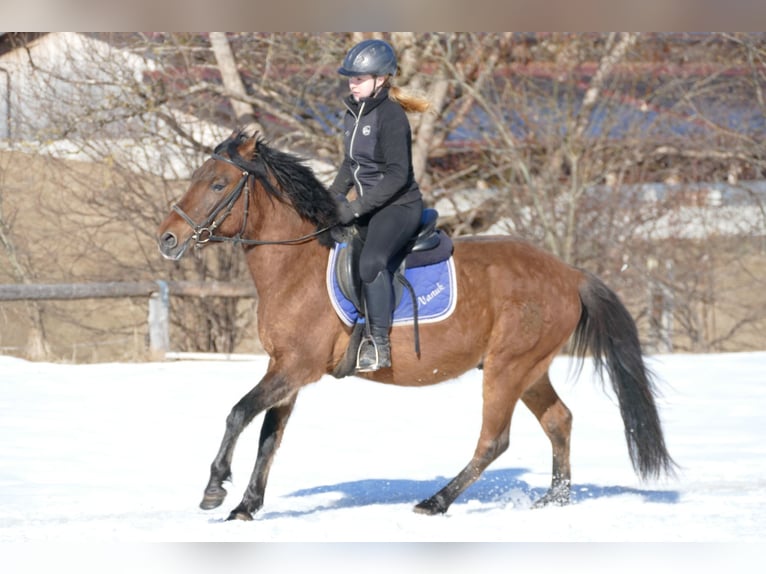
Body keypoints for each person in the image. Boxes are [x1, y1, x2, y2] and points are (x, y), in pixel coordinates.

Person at [330, 38, 430, 373]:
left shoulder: (391, 117)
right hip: (371, 205)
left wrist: (356, 209)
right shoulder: (352, 114)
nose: (352, 83)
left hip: (399, 206)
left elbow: (397, 176)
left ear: (381, 79)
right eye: (350, 78)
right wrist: (331, 198)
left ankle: (380, 345)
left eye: (358, 78)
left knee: (372, 261)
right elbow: (350, 164)